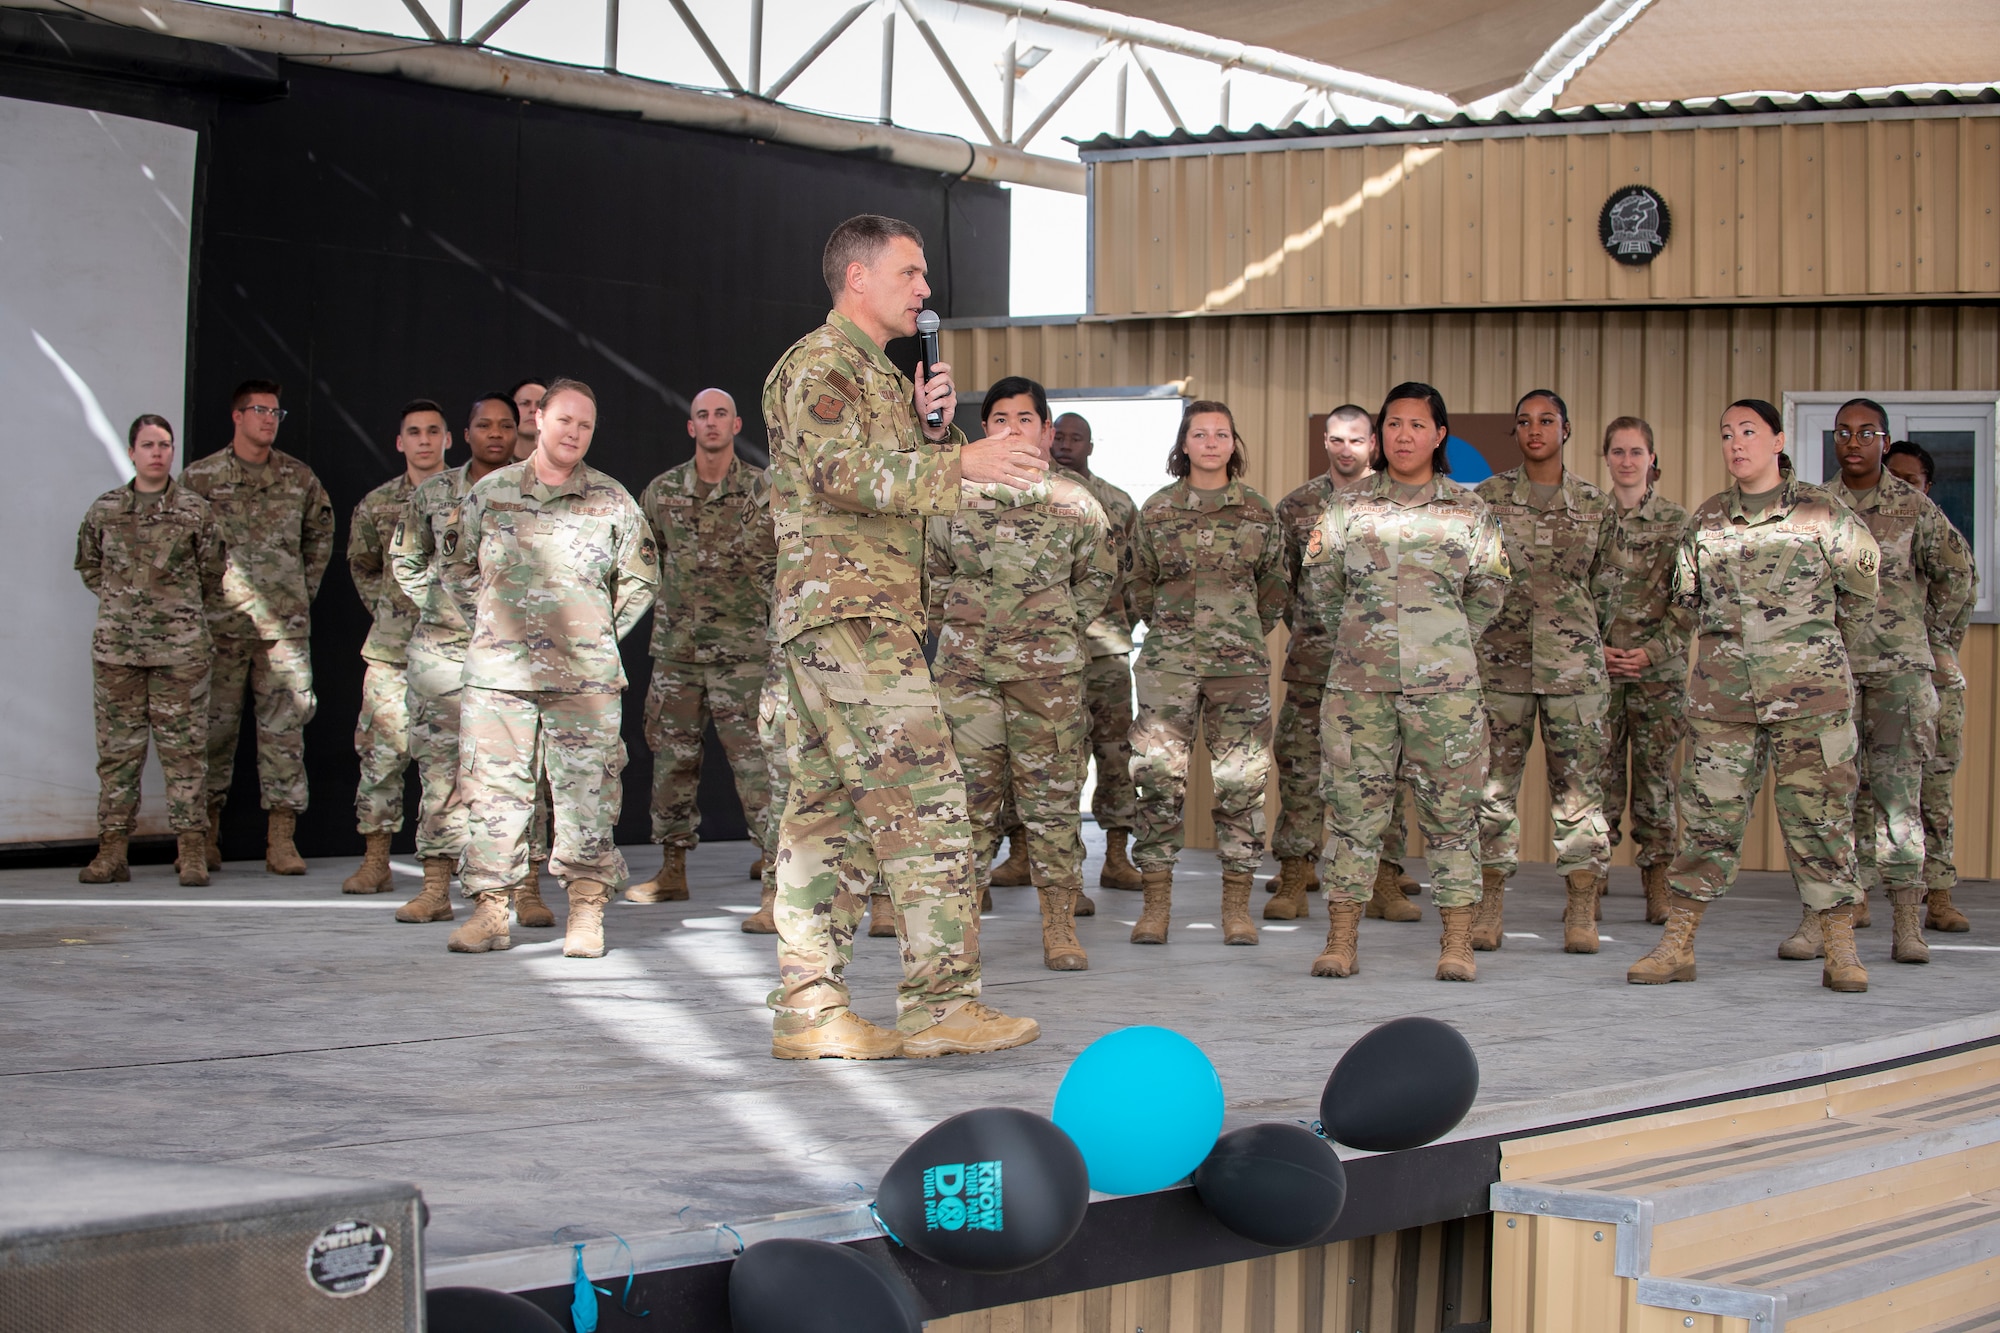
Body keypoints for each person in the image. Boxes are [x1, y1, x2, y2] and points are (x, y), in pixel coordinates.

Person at [760, 214, 1049, 1061]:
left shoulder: (881, 378)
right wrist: (961, 462)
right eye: (911, 273)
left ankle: (809, 1011)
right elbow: (839, 475)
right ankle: (941, 1005)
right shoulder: (821, 366)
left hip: (862, 612)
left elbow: (890, 478)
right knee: (925, 801)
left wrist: (932, 435)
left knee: (828, 817)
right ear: (858, 278)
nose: (926, 290)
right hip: (849, 615)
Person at [1627, 399, 1881, 991]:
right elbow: (1684, 607)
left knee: (1821, 824)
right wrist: (1650, 654)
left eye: (1748, 432)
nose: (1736, 443)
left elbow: (1863, 599)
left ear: (1777, 440)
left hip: (1810, 704)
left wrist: (1818, 660)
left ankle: (1840, 949)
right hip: (1726, 705)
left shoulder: (1825, 515)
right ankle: (1678, 945)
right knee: (1708, 824)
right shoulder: (1709, 521)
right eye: (1726, 434)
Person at [438, 379, 659, 959]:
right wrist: (495, 624)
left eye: (585, 426)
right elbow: (458, 569)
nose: (574, 434)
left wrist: (593, 635)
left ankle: (585, 912)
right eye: (565, 421)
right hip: (499, 677)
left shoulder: (612, 501)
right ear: (538, 418)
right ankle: (490, 912)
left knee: (587, 795)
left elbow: (639, 581)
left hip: (583, 682)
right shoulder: (490, 493)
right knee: (492, 796)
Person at [1298, 382, 1511, 981]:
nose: (1404, 435)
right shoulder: (1347, 508)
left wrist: (1439, 642)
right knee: (1351, 813)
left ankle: (1458, 942)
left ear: (1440, 434)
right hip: (1358, 690)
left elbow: (1491, 591)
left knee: (1453, 815)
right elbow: (1320, 588)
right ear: (1380, 434)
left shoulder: (1469, 512)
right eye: (1393, 424)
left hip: (1445, 693)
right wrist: (1370, 638)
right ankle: (1342, 940)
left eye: (1418, 424)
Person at [929, 378, 1115, 971]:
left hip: (1048, 681)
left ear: (1046, 431)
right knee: (967, 804)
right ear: (986, 428)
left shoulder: (1075, 502)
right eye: (1001, 418)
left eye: (1025, 419)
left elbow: (1098, 578)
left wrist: (1054, 629)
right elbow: (928, 575)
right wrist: (963, 625)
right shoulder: (952, 497)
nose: (1013, 428)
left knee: (1053, 805)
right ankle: (962, 932)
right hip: (968, 676)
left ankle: (1059, 927)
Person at [1815, 399, 1975, 965]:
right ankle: (1827, 919)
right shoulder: (1816, 506)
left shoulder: (1914, 506)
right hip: (1829, 675)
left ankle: (1907, 924)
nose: (1853, 442)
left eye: (1866, 433)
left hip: (1899, 676)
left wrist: (1934, 641)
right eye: (1843, 433)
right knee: (1826, 800)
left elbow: (1959, 574)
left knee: (1898, 803)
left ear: (1884, 440)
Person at [1125, 400, 1286, 947]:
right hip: (1168, 667)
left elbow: (1275, 588)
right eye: (1201, 434)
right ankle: (1155, 907)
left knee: (1242, 785)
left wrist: (1236, 632)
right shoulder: (1156, 511)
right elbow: (1138, 582)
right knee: (1156, 782)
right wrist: (1172, 630)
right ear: (1184, 444)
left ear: (1234, 444)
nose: (1212, 442)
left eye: (1222, 433)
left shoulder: (1260, 513)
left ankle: (1237, 909)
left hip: (1238, 670)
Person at [1473, 391, 1618, 955]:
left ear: (1567, 428)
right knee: (1491, 792)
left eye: (1547, 420)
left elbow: (1608, 588)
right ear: (1515, 432)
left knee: (1579, 796)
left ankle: (1581, 908)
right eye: (1525, 422)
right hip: (1499, 667)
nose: (1536, 430)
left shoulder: (1594, 504)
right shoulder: (1487, 500)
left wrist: (1587, 639)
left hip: (1573, 671)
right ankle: (1488, 907)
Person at [387, 392, 534, 926]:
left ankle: (525, 888)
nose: (495, 434)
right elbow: (405, 559)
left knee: (518, 775)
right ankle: (434, 887)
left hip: (514, 657)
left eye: (505, 426)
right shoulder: (433, 493)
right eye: (484, 425)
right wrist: (445, 599)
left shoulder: (534, 492)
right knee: (441, 773)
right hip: (445, 656)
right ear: (465, 434)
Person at [626, 389, 778, 904]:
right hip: (678, 655)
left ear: (736, 425)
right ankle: (672, 870)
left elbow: (782, 564)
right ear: (691, 428)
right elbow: (643, 562)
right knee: (672, 765)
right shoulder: (662, 491)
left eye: (720, 415)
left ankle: (776, 875)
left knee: (758, 766)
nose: (711, 423)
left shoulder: (760, 490)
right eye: (701, 416)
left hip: (744, 653)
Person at [1270, 404, 1418, 924]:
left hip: (1382, 668)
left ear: (1373, 443)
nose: (1345, 449)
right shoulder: (1297, 507)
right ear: (1325, 443)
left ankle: (1385, 879)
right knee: (1301, 768)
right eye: (1335, 439)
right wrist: (1316, 630)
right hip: (1316, 663)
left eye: (1356, 440)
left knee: (1385, 775)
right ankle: (1294, 875)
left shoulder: (1402, 502)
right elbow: (1280, 585)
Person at [181, 380, 336, 875]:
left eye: (276, 411)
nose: (269, 419)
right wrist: (203, 598)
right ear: (237, 416)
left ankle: (281, 840)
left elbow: (321, 535)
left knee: (285, 735)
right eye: (260, 410)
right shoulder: (199, 479)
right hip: (220, 627)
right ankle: (204, 834)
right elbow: (181, 542)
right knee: (212, 732)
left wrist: (299, 591)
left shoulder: (299, 478)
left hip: (281, 632)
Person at [73, 415, 222, 886]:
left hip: (181, 654)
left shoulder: (195, 512)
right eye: (148, 444)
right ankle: (112, 852)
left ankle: (192, 852)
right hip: (118, 653)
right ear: (132, 452)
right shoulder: (105, 510)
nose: (158, 452)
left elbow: (213, 572)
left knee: (186, 753)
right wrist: (128, 606)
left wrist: (170, 611)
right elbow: (89, 565)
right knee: (118, 755)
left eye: (165, 444)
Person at [341, 400, 451, 895]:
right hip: (391, 652)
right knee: (381, 756)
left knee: (448, 765)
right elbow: (362, 565)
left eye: (433, 431)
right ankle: (376, 860)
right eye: (414, 432)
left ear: (449, 439)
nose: (424, 440)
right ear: (400, 442)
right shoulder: (377, 504)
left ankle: (446, 869)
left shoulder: (473, 498)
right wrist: (389, 610)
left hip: (453, 653)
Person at [1596, 416, 1690, 925]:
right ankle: (1592, 877)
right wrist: (1596, 648)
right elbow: (1573, 593)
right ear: (1606, 457)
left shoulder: (1678, 523)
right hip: (1602, 670)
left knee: (1656, 782)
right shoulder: (1591, 518)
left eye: (1636, 452)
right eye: (1618, 452)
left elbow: (1693, 599)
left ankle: (1658, 881)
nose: (1627, 461)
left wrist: (1653, 652)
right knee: (1597, 778)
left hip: (1658, 673)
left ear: (1652, 458)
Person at [1049, 411, 1145, 893]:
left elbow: (1138, 576)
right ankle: (1031, 856)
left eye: (1076, 438)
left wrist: (1123, 621)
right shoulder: (1027, 494)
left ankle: (1116, 856)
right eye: (1059, 436)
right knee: (1050, 756)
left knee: (1114, 752)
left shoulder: (1117, 503)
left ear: (1091, 445)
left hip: (1104, 647)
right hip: (1042, 651)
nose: (1066, 444)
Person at [1885, 439, 1978, 934]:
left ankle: (1938, 895)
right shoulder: (1868, 529)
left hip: (1932, 674)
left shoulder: (1940, 534)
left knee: (1935, 787)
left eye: (1912, 482)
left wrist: (1928, 639)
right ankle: (1855, 897)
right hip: (1877, 672)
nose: (1902, 490)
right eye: (1893, 479)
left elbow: (1962, 591)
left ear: (1929, 488)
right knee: (1864, 787)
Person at [510, 379, 547, 462]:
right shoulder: (494, 464)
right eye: (524, 403)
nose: (533, 409)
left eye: (540, 404)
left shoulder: (564, 464)